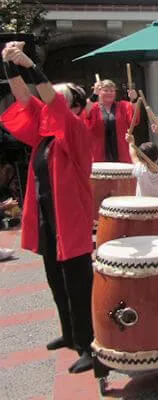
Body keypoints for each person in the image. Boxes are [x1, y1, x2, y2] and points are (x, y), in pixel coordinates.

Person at [0, 42, 94, 373]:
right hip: (47, 215)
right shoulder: (46, 130)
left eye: (60, 93)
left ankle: (88, 345)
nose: (51, 95)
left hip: (70, 220)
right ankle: (69, 334)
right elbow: (25, 99)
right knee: (55, 279)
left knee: (77, 285)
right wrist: (9, 63)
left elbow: (49, 100)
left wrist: (28, 62)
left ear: (78, 106)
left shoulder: (75, 127)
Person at [84, 79, 139, 163]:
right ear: (99, 92)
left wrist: (134, 100)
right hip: (98, 153)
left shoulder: (123, 106)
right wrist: (94, 94)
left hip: (121, 153)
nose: (109, 93)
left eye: (112, 91)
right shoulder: (94, 108)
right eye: (105, 90)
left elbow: (134, 120)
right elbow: (85, 112)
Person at [124, 131, 158, 199]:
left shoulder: (140, 169)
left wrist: (131, 141)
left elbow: (133, 154)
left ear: (142, 160)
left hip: (143, 207)